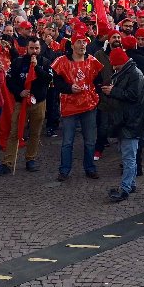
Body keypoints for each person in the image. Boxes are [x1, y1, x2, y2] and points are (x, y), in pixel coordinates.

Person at [52, 34, 103, 182]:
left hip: (88, 106)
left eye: (84, 42)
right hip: (70, 107)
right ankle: (64, 170)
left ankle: (90, 168)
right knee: (67, 141)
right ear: (73, 45)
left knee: (90, 140)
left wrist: (96, 96)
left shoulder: (92, 61)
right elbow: (57, 83)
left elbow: (99, 81)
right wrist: (69, 88)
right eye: (79, 42)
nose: (82, 45)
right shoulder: (62, 61)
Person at [0, 37, 52, 175]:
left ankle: (30, 159)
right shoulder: (18, 62)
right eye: (31, 48)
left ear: (40, 49)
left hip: (38, 102)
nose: (34, 51)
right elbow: (9, 81)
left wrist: (36, 67)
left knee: (35, 132)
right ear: (27, 48)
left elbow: (48, 79)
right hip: (20, 102)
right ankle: (8, 162)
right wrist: (19, 92)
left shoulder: (45, 62)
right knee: (15, 131)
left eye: (37, 48)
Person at [102, 46, 144, 202]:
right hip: (127, 121)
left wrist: (112, 91)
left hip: (130, 122)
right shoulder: (128, 72)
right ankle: (130, 184)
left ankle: (125, 188)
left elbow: (133, 96)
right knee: (129, 156)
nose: (113, 67)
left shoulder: (134, 74)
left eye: (115, 64)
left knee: (128, 157)